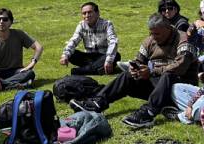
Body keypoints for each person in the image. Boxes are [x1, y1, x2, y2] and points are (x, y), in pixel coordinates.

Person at [69, 13, 197, 129]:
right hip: (158, 87)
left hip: (181, 89)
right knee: (127, 75)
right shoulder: (150, 41)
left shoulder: (184, 39)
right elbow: (138, 60)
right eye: (151, 33)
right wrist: (135, 68)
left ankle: (148, 112)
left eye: (157, 34)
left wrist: (152, 72)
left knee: (168, 75)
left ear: (168, 28)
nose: (153, 37)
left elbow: (181, 67)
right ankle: (98, 103)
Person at [0, 8, 43, 92]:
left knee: (30, 73)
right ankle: (16, 85)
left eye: (5, 19)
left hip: (16, 70)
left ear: (11, 22)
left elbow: (39, 47)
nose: (1, 22)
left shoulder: (19, 34)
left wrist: (32, 63)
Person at [59, 2, 121, 75]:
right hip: (88, 57)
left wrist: (109, 61)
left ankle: (81, 71)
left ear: (97, 13)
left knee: (116, 55)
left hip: (102, 56)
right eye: (84, 13)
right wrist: (65, 55)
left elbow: (113, 42)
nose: (87, 15)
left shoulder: (107, 24)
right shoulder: (81, 25)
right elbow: (73, 41)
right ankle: (97, 69)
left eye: (89, 12)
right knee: (72, 54)